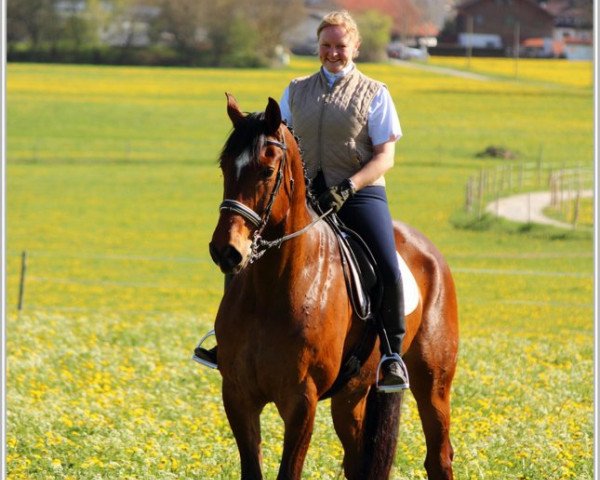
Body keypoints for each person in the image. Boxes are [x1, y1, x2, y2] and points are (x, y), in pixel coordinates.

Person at [194, 10, 409, 393]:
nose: (333, 53)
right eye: (326, 45)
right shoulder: (296, 89)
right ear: (318, 47)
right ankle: (226, 338)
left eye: (341, 46)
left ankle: (391, 355)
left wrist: (349, 186)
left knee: (389, 268)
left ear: (355, 47)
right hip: (304, 195)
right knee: (242, 250)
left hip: (359, 193)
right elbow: (280, 143)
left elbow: (385, 156)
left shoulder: (376, 93)